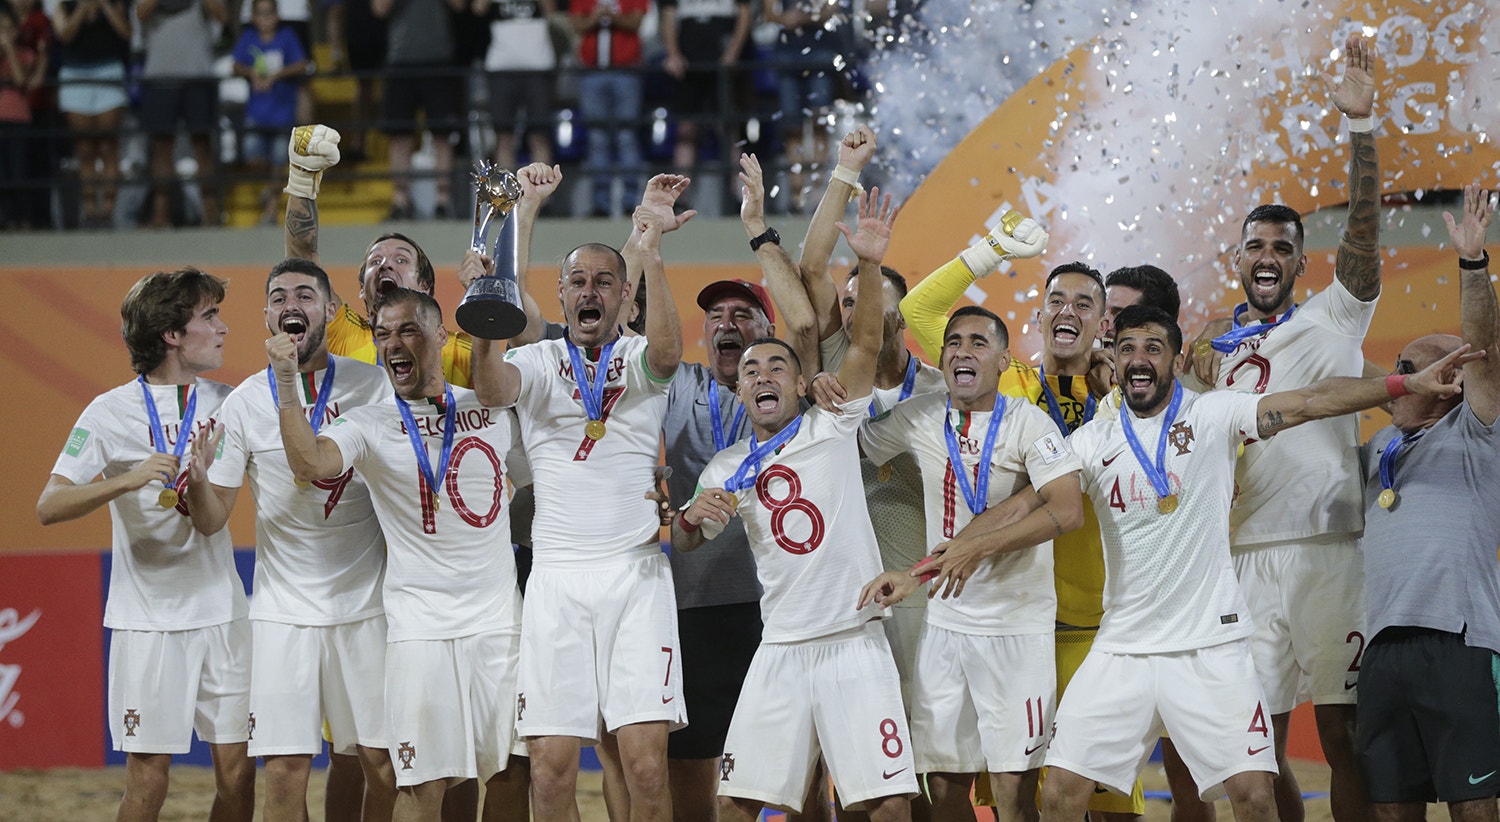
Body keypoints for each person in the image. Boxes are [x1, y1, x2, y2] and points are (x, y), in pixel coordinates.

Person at [920, 305, 1470, 822]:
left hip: (1212, 647)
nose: (1139, 358)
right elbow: (1027, 502)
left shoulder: (1214, 414)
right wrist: (965, 546)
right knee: (1061, 794)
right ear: (1114, 359)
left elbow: (1312, 399)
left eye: (1154, 348)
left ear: (1175, 361)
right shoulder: (1091, 441)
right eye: (1128, 347)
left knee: (1255, 796)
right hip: (1123, 648)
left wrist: (1406, 384)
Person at [1179, 35, 1381, 822]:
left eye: (1283, 248)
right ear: (1237, 260)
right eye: (1255, 245)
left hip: (1332, 552)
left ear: (1302, 265)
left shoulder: (1336, 313)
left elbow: (1363, 237)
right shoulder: (1208, 356)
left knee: (1346, 734)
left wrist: (1362, 131)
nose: (1268, 256)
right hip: (1242, 562)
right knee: (1247, 749)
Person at [675, 188, 918, 822]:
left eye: (775, 367)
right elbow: (687, 541)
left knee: (886, 805)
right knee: (734, 803)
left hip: (854, 640)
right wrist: (688, 521)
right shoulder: (726, 467)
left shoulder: (831, 423)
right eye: (750, 370)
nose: (760, 376)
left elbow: (863, 345)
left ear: (799, 381)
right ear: (740, 386)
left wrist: (867, 263)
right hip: (779, 649)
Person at [469, 188, 687, 822]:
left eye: (604, 282)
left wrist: (654, 256)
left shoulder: (637, 359)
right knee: (551, 769)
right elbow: (489, 386)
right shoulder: (535, 361)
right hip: (557, 580)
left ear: (624, 296)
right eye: (576, 283)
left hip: (637, 575)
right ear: (560, 295)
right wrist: (487, 314)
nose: (589, 293)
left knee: (645, 765)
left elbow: (670, 354)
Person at [277, 287, 529, 821]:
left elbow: (547, 480)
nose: (394, 343)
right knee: (420, 784)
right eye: (384, 333)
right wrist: (284, 383)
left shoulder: (492, 409)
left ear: (441, 335)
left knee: (511, 773)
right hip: (419, 632)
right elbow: (310, 464)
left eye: (409, 330)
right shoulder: (368, 423)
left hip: (498, 626)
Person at [182, 258, 397, 822]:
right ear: (266, 317)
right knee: (283, 771)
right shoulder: (244, 401)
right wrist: (198, 484)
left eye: (305, 295)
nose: (290, 305)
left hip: (367, 607)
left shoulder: (372, 384)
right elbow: (211, 520)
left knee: (382, 764)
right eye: (278, 297)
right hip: (282, 614)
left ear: (331, 310)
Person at [37, 268, 254, 822]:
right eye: (209, 317)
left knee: (238, 775)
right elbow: (48, 506)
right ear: (172, 334)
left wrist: (201, 477)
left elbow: (210, 521)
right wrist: (126, 480)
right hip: (147, 622)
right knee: (147, 784)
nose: (224, 328)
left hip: (221, 614)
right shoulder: (107, 413)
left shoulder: (230, 403)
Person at [856, 305, 1085, 822]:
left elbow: (1067, 510)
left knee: (1011, 788)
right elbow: (854, 441)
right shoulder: (918, 417)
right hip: (945, 626)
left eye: (979, 342)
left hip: (1017, 630)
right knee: (942, 780)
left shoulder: (1031, 423)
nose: (963, 350)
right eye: (954, 342)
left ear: (1004, 359)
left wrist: (976, 547)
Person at [771, 130, 945, 733]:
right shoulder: (836, 382)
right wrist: (845, 169)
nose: (850, 312)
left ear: (896, 312)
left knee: (929, 746)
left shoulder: (940, 393)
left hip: (917, 582)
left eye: (864, 300)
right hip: (844, 592)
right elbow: (811, 265)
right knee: (860, 749)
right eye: (845, 304)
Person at [1356, 183, 1500, 822]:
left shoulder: (1476, 432)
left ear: (1451, 382)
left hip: (1459, 641)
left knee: (1475, 808)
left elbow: (1486, 351)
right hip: (1383, 648)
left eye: (1411, 364)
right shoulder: (1377, 447)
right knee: (1391, 807)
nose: (1398, 375)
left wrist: (1473, 262)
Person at [135, 0, 227, 227]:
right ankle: (160, 215)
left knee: (203, 145)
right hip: (159, 76)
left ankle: (210, 213)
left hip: (198, 74)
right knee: (161, 147)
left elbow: (222, 15)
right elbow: (140, 13)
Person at [373, 0, 466, 219]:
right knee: (399, 137)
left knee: (442, 135)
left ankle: (442, 201)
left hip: (439, 59)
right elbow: (379, 8)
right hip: (400, 60)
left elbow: (460, 5)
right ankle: (400, 200)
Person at [51, 0, 130, 228]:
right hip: (76, 75)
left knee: (108, 147)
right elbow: (64, 36)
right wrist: (81, 10)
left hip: (108, 71)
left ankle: (107, 212)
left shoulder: (115, 4)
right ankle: (90, 211)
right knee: (85, 149)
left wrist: (104, 7)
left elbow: (126, 33)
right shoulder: (64, 6)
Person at [232, 0, 309, 225]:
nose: (266, 18)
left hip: (282, 113)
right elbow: (236, 65)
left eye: (269, 13)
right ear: (254, 17)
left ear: (277, 15)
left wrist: (277, 75)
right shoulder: (248, 38)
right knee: (253, 157)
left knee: (278, 162)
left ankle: (271, 210)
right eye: (261, 13)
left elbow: (302, 63)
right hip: (257, 113)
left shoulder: (287, 37)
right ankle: (270, 187)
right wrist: (252, 74)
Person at [570, 0, 647, 217]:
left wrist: (609, 17)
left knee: (627, 135)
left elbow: (636, 22)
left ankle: (631, 202)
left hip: (626, 73)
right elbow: (576, 25)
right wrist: (597, 18)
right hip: (592, 72)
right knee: (597, 137)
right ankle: (601, 203)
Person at [659, 0, 750, 180]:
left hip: (723, 65)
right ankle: (680, 197)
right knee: (685, 130)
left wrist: (733, 52)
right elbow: (668, 15)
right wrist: (673, 53)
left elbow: (744, 13)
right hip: (688, 66)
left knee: (729, 129)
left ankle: (741, 195)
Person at [479, 0, 557, 172]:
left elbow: (551, 11)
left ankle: (541, 197)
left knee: (539, 136)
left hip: (538, 66)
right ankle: (507, 198)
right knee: (503, 136)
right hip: (501, 67)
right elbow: (478, 8)